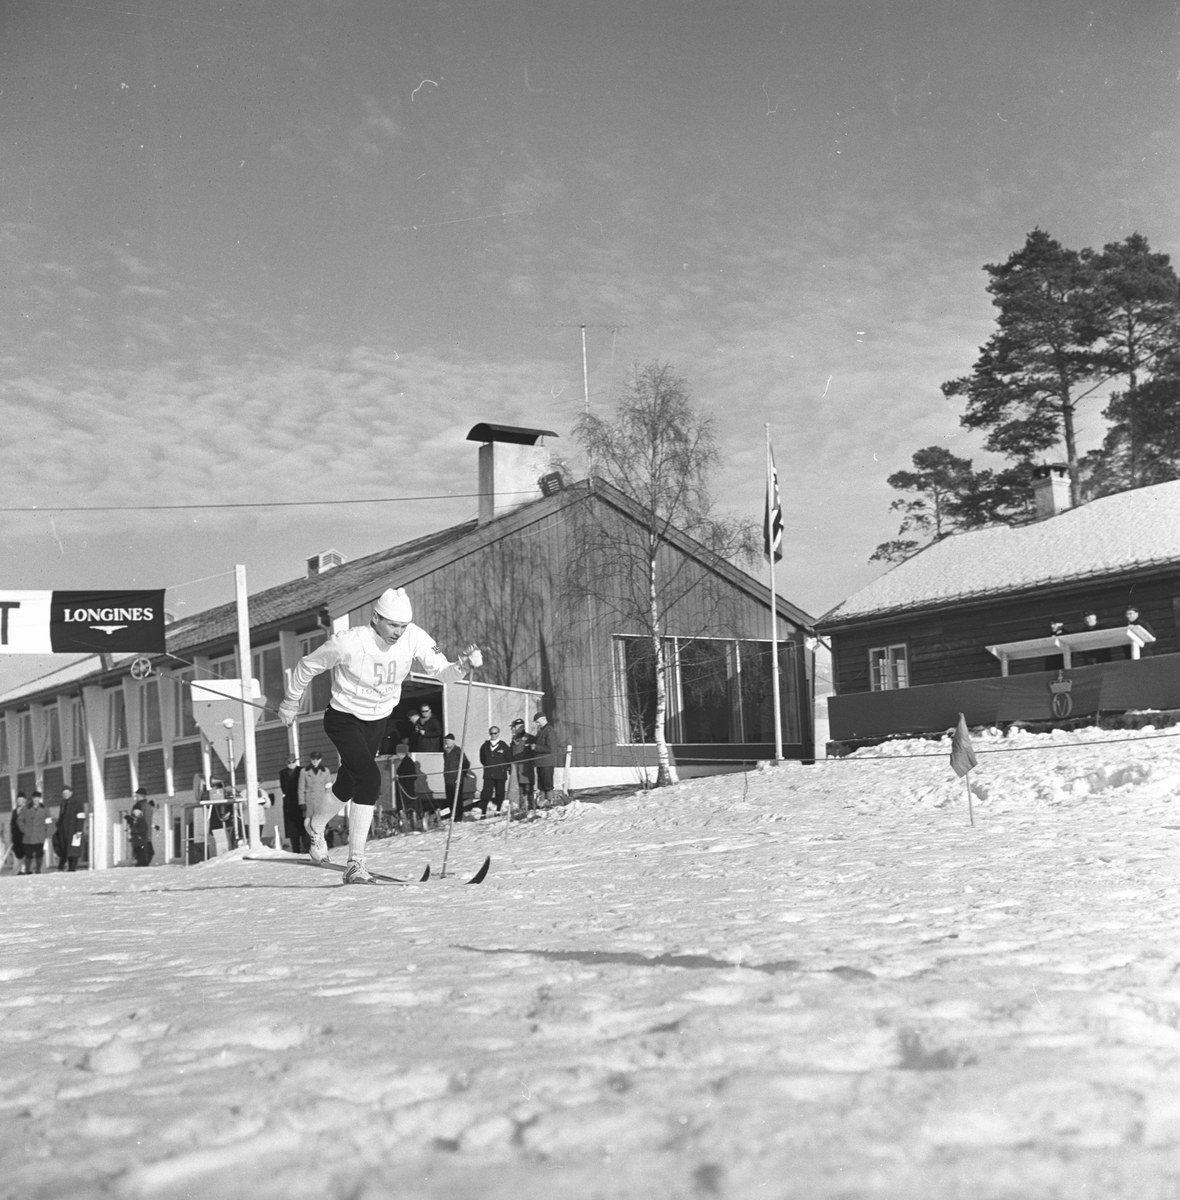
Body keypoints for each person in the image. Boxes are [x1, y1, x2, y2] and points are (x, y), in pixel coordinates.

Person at [279, 586, 480, 884]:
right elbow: (307, 666)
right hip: (343, 718)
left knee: (348, 784)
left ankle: (315, 826)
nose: (398, 632)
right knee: (371, 779)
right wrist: (291, 701)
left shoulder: (415, 637)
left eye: (403, 626)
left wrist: (462, 666)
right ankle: (355, 864)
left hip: (377, 721)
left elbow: (443, 672)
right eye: (392, 625)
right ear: (376, 618)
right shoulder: (349, 642)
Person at [477, 726, 511, 817]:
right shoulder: (485, 746)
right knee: (486, 794)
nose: (493, 735)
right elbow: (482, 759)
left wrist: (504, 767)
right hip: (489, 774)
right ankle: (483, 813)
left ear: (498, 733)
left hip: (500, 774)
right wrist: (488, 765)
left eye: (495, 733)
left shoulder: (504, 746)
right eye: (491, 733)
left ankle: (498, 811)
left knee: (500, 793)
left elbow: (509, 758)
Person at [52, 787, 88, 872]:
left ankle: (72, 867)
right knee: (65, 848)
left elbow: (81, 817)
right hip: (64, 830)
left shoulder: (77, 803)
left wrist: (78, 830)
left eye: (67, 793)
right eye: (64, 793)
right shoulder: (63, 803)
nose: (65, 795)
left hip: (74, 830)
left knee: (73, 849)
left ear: (71, 793)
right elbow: (61, 816)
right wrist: (59, 824)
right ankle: (65, 866)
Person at [17, 791, 52, 874]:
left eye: (37, 798)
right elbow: (19, 820)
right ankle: (28, 870)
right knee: (28, 854)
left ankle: (38, 870)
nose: (36, 799)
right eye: (34, 798)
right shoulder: (25, 809)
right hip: (28, 836)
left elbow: (48, 822)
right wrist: (24, 829)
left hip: (40, 836)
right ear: (32, 799)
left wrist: (47, 834)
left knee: (39, 854)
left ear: (39, 799)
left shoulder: (45, 809)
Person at [279, 754, 306, 853]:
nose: (291, 764)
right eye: (289, 762)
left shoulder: (301, 770)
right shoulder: (283, 773)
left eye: (293, 761)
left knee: (303, 825)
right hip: (289, 803)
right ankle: (296, 848)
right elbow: (283, 788)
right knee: (291, 827)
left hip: (300, 801)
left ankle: (306, 847)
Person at [442, 733, 472, 821]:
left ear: (452, 741)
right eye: (446, 740)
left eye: (448, 740)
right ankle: (452, 815)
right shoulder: (445, 751)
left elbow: (466, 763)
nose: (447, 742)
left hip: (456, 778)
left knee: (457, 798)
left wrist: (461, 775)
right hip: (447, 778)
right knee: (450, 798)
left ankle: (458, 817)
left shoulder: (458, 751)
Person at [509, 718, 536, 815]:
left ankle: (531, 808)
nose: (513, 729)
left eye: (514, 727)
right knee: (519, 791)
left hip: (526, 769)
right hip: (516, 770)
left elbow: (534, 753)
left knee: (528, 789)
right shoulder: (514, 740)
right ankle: (521, 809)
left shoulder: (530, 738)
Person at [532, 712, 559, 806]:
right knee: (541, 784)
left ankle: (551, 800)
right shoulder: (542, 731)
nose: (537, 724)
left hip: (547, 761)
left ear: (543, 719)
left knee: (547, 783)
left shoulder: (549, 731)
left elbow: (550, 748)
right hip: (540, 762)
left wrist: (536, 747)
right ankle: (542, 801)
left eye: (538, 722)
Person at [393, 742, 420, 832]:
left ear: (400, 753)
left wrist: (400, 778)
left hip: (406, 791)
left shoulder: (407, 762)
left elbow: (412, 776)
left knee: (407, 807)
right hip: (405, 790)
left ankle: (409, 825)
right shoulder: (406, 761)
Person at [126, 793, 154, 866]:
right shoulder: (139, 819)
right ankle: (141, 866)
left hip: (140, 840)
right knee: (142, 855)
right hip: (140, 841)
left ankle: (141, 866)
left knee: (142, 855)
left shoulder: (140, 819)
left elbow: (141, 827)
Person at [10, 792, 27, 874]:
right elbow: (12, 823)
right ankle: (18, 869)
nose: (19, 801)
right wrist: (12, 835)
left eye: (21, 799)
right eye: (18, 800)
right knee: (18, 852)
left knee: (25, 852)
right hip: (16, 836)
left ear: (25, 800)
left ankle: (24, 869)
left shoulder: (27, 810)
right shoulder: (14, 811)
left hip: (25, 835)